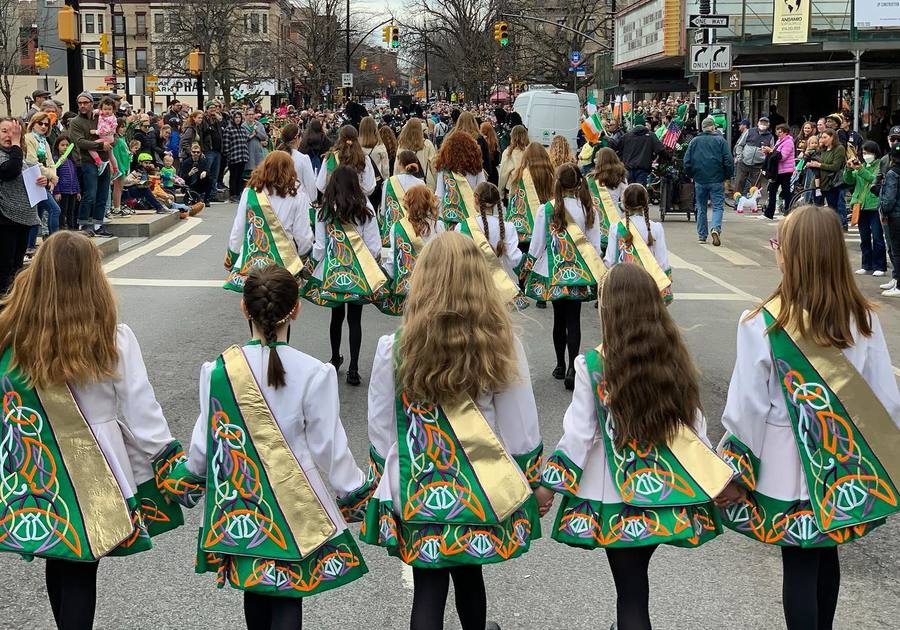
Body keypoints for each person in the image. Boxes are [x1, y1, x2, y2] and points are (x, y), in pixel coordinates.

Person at [717, 204, 900, 629]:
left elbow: (747, 410)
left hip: (784, 467)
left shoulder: (761, 322)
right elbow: (886, 401)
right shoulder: (864, 318)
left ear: (790, 254)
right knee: (826, 556)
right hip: (842, 464)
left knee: (797, 565)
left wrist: (735, 470)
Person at [163, 265, 370, 630]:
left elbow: (205, 443)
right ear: (297, 310)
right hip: (297, 505)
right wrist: (355, 491)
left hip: (243, 504)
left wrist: (184, 477)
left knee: (256, 592)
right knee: (288, 595)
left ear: (245, 310)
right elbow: (329, 448)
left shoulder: (217, 370)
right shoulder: (313, 372)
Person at [535, 262, 737, 630]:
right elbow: (694, 427)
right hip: (667, 492)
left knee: (630, 596)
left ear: (608, 308)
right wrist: (717, 478)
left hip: (617, 497)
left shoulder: (592, 364)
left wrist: (547, 487)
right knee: (636, 588)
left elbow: (580, 435)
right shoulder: (674, 357)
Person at [0, 231, 184, 628]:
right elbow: (141, 409)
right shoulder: (112, 336)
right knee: (84, 563)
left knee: (58, 552)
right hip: (97, 465)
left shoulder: (13, 333)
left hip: (39, 460)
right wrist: (172, 461)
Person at [362, 231, 543, 630]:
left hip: (419, 482)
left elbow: (382, 426)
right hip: (477, 483)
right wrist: (530, 477)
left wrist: (385, 475)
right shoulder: (500, 343)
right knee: (469, 573)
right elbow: (519, 424)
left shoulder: (394, 346)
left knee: (428, 584)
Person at [525, 163, 605, 389]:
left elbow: (537, 244)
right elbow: (595, 246)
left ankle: (559, 365)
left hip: (555, 274)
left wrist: (528, 267)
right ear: (579, 182)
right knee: (574, 320)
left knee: (559, 320)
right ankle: (572, 367)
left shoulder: (547, 208)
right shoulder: (588, 208)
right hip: (579, 274)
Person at [305, 165, 384, 386]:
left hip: (333, 272)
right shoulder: (364, 205)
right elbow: (374, 245)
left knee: (336, 317)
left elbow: (320, 246)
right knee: (355, 319)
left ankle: (335, 358)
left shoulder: (325, 208)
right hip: (358, 272)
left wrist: (311, 267)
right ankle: (354, 368)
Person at [225, 151, 314, 292]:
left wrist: (233, 256)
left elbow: (239, 229)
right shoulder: (297, 197)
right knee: (284, 310)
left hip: (253, 264)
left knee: (254, 308)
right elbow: (303, 236)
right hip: (284, 264)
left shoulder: (250, 193)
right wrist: (302, 259)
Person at [377, 184, 444, 315]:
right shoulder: (439, 225)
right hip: (434, 282)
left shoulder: (397, 227)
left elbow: (392, 261)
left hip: (409, 286)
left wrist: (381, 277)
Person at [604, 183, 672, 303]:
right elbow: (662, 262)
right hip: (648, 285)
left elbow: (610, 261)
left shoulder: (616, 228)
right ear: (646, 202)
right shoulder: (656, 228)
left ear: (624, 204)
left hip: (623, 286)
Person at [0, 118, 42, 293]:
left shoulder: (18, 155)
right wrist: (17, 144)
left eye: (14, 131)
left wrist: (40, 180)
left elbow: (24, 174)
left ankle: (13, 307)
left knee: (17, 266)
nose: (10, 135)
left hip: (23, 219)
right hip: (5, 219)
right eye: (5, 131)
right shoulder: (9, 155)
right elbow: (11, 171)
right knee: (4, 267)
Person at [456, 181, 521, 286]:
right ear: (496, 203)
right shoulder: (508, 227)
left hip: (473, 286)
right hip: (503, 286)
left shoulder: (462, 227)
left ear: (476, 199)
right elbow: (514, 260)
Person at [683, 116, 734, 245]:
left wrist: (691, 174)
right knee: (717, 206)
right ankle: (715, 228)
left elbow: (687, 161)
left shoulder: (694, 141)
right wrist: (727, 176)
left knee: (701, 207)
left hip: (700, 179)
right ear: (713, 127)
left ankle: (702, 236)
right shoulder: (720, 141)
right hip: (717, 179)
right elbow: (728, 161)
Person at [68, 91, 112, 237]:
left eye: (85, 102)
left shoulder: (100, 117)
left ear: (92, 103)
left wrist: (112, 141)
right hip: (88, 161)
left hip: (105, 159)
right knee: (90, 194)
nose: (82, 105)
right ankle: (83, 224)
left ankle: (98, 224)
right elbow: (79, 142)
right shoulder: (75, 122)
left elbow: (112, 132)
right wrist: (100, 145)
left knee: (103, 194)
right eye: (80, 103)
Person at [843, 141, 886, 277]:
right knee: (864, 237)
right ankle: (866, 265)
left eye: (869, 152)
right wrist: (849, 169)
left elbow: (873, 179)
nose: (866, 155)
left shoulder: (879, 165)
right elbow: (849, 181)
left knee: (878, 237)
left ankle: (880, 266)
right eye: (864, 152)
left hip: (874, 205)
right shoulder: (861, 166)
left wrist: (860, 169)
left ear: (875, 153)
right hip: (860, 205)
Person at [23, 112, 61, 254]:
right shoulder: (28, 139)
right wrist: (52, 175)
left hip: (43, 180)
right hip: (32, 180)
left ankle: (30, 246)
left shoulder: (43, 141)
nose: (44, 126)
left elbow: (51, 163)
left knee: (37, 214)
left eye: (47, 124)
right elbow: (32, 162)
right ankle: (53, 243)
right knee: (54, 210)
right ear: (33, 123)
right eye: (41, 123)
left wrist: (52, 178)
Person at [506, 141, 555, 249]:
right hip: (546, 229)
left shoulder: (520, 174)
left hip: (523, 232)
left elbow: (512, 199)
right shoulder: (551, 175)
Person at [433, 130, 486, 225]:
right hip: (472, 215)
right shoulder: (476, 168)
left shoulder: (444, 168)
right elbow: (482, 191)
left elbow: (439, 194)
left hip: (450, 217)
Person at [316, 125, 377, 208]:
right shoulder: (364, 158)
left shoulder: (330, 157)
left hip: (335, 206)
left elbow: (321, 185)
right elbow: (369, 187)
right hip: (359, 206)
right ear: (357, 138)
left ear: (339, 138)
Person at [380, 149, 428, 246]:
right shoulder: (421, 183)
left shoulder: (388, 182)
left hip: (394, 228)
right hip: (415, 230)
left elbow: (384, 210)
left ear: (399, 163)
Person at [587, 147, 627, 257]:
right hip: (615, 216)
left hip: (596, 218)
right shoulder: (621, 177)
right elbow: (625, 201)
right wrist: (621, 211)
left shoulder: (591, 178)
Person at [808, 129, 847, 226]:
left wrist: (819, 165)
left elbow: (836, 166)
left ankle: (833, 229)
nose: (822, 139)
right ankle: (818, 228)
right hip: (818, 183)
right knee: (817, 209)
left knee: (832, 210)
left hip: (831, 184)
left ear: (832, 137)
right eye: (821, 137)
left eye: (825, 137)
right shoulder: (822, 149)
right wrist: (812, 164)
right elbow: (817, 160)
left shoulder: (839, 148)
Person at [734, 115, 774, 199]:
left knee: (756, 185)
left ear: (768, 125)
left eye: (765, 123)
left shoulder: (770, 137)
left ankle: (754, 203)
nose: (763, 124)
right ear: (758, 123)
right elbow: (740, 145)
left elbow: (771, 151)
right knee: (739, 183)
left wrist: (765, 162)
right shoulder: (749, 132)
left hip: (758, 165)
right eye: (761, 122)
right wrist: (740, 157)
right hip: (744, 162)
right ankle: (737, 202)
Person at [762, 123, 796, 219]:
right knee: (772, 191)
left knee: (786, 192)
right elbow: (774, 155)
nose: (778, 134)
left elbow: (782, 157)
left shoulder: (788, 142)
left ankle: (788, 211)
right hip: (777, 171)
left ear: (786, 132)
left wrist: (771, 151)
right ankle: (769, 213)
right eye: (777, 131)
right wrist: (768, 152)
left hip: (785, 171)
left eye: (780, 132)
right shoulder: (779, 141)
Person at [276, 122, 316, 203]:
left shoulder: (275, 156)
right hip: (298, 202)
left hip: (278, 201)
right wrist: (313, 200)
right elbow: (310, 185)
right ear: (297, 138)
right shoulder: (303, 159)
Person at [879, 143, 900, 297]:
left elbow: (889, 198)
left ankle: (898, 285)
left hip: (895, 216)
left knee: (896, 250)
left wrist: (884, 210)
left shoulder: (893, 173)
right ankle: (896, 279)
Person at [617, 121, 665, 185]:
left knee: (629, 191)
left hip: (628, 169)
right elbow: (660, 150)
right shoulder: (651, 136)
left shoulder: (626, 136)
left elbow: (618, 150)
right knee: (640, 192)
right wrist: (669, 157)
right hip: (642, 170)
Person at [396, 117, 437, 189]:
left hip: (405, 183)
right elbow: (434, 165)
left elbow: (397, 166)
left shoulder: (402, 145)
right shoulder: (427, 144)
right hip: (425, 182)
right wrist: (436, 182)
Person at [359, 116, 389, 211]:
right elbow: (385, 169)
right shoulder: (380, 147)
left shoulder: (357, 147)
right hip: (377, 184)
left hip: (361, 184)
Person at [221, 110, 251, 203]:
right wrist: (228, 155)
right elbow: (226, 144)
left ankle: (238, 194)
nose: (238, 119)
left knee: (239, 176)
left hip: (243, 156)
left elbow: (246, 139)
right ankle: (233, 194)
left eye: (239, 117)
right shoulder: (228, 129)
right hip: (234, 156)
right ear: (232, 119)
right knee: (233, 176)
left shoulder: (242, 129)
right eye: (236, 117)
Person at [53, 134, 80, 230]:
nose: (65, 147)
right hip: (63, 191)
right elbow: (54, 176)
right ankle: (61, 229)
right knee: (62, 212)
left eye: (67, 145)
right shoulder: (56, 160)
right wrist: (57, 191)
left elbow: (75, 176)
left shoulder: (71, 160)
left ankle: (71, 229)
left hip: (72, 191)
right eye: (62, 145)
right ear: (57, 146)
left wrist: (77, 190)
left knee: (71, 212)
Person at [87, 96, 120, 176]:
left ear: (113, 110)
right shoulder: (102, 113)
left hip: (106, 138)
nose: (107, 111)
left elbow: (106, 130)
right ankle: (116, 169)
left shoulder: (111, 118)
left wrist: (95, 132)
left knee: (91, 147)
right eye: (105, 109)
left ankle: (99, 162)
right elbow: (99, 111)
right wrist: (95, 111)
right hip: (107, 139)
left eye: (109, 109)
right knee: (111, 155)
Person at [199, 102, 224, 198]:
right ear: (207, 109)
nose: (214, 110)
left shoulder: (217, 119)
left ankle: (213, 194)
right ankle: (204, 194)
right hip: (209, 149)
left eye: (215, 108)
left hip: (217, 150)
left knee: (215, 174)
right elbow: (204, 132)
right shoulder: (204, 119)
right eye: (211, 108)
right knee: (207, 172)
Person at [497, 124, 529, 196]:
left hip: (512, 189)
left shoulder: (508, 153)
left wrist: (500, 191)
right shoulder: (529, 152)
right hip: (526, 189)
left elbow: (503, 174)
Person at [245, 111, 269, 177]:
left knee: (258, 172)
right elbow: (243, 138)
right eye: (249, 114)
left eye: (252, 114)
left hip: (257, 152)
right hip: (247, 152)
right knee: (248, 175)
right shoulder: (243, 125)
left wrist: (257, 132)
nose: (251, 116)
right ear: (246, 115)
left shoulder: (259, 125)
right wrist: (251, 135)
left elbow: (264, 136)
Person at [480, 121, 502, 185]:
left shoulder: (481, 143)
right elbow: (497, 161)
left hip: (484, 172)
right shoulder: (495, 143)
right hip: (493, 173)